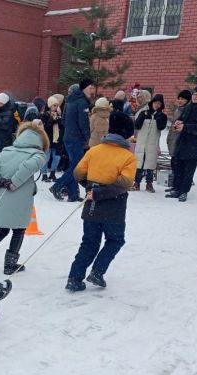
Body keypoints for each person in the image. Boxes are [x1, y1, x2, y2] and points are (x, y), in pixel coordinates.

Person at [65, 113, 137, 292]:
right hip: (114, 206)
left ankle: (75, 278)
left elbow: (78, 174)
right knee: (115, 239)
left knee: (89, 242)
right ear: (127, 133)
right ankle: (97, 271)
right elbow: (124, 183)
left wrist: (91, 189)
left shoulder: (94, 150)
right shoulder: (128, 157)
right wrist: (102, 192)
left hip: (92, 204)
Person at [0, 121, 48, 275]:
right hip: (19, 197)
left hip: (2, 194)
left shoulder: (6, 150)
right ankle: (10, 264)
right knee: (19, 229)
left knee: (2, 228)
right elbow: (28, 166)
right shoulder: (38, 154)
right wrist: (14, 182)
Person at [166, 84, 197, 202]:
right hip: (182, 142)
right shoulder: (189, 106)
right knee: (178, 166)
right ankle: (177, 188)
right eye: (193, 94)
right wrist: (178, 123)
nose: (194, 96)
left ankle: (184, 191)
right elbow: (182, 118)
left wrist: (185, 127)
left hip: (194, 144)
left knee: (188, 170)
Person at [51, 79, 96, 203]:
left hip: (68, 136)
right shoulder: (82, 102)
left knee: (74, 165)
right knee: (77, 167)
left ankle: (73, 194)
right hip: (76, 138)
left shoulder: (70, 101)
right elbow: (83, 122)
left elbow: (64, 120)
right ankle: (57, 185)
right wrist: (86, 136)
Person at [132, 93, 167, 193]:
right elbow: (137, 125)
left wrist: (159, 117)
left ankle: (149, 184)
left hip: (152, 143)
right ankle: (136, 183)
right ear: (152, 103)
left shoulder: (162, 116)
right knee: (139, 164)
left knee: (150, 165)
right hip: (141, 143)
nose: (157, 105)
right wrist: (143, 116)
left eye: (159, 104)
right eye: (155, 103)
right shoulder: (143, 112)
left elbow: (161, 127)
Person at [41, 96, 64, 182]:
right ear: (50, 106)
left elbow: (62, 127)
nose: (56, 107)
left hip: (57, 140)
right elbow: (45, 127)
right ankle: (44, 174)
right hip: (48, 139)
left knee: (57, 157)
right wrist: (52, 120)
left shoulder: (59, 115)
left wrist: (59, 121)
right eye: (54, 105)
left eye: (57, 105)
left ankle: (52, 173)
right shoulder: (45, 115)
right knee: (46, 158)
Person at [166, 90, 191, 156]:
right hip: (173, 139)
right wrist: (169, 138)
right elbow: (173, 126)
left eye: (182, 99)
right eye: (179, 99)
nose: (180, 101)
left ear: (187, 100)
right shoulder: (178, 110)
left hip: (181, 143)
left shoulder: (189, 111)